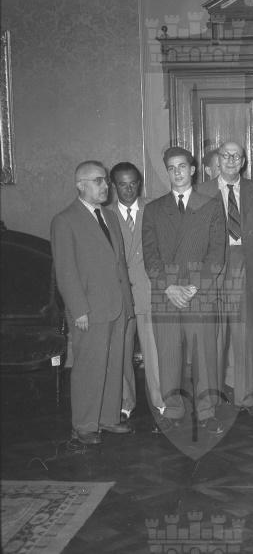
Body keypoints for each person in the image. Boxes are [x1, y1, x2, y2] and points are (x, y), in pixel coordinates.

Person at [142, 147, 226, 433]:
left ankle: (206, 412)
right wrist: (168, 287)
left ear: (192, 170)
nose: (177, 172)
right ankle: (172, 410)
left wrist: (193, 287)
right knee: (168, 357)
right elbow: (150, 256)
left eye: (182, 166)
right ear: (167, 172)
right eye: (171, 168)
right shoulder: (154, 209)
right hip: (166, 295)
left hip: (198, 293)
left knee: (204, 356)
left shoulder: (211, 206)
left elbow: (216, 254)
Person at [51, 160, 134, 445]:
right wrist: (79, 310)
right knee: (89, 367)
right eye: (98, 180)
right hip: (89, 310)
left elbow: (119, 264)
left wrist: (128, 305)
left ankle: (108, 418)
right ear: (80, 185)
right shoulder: (65, 220)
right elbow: (66, 271)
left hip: (117, 306)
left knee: (113, 364)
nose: (105, 186)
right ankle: (85, 425)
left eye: (106, 180)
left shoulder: (109, 216)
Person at [199, 140, 253, 417]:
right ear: (218, 160)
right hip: (211, 270)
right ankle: (210, 400)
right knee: (212, 337)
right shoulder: (202, 191)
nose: (231, 160)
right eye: (226, 155)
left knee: (247, 335)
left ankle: (248, 397)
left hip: (246, 265)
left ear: (243, 162)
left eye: (237, 156)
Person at [109, 162, 165, 428]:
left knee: (155, 352)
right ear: (114, 186)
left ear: (139, 183)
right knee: (120, 352)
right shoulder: (104, 214)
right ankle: (125, 403)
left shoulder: (155, 208)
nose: (129, 189)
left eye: (133, 184)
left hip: (149, 291)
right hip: (119, 295)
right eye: (122, 184)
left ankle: (160, 402)